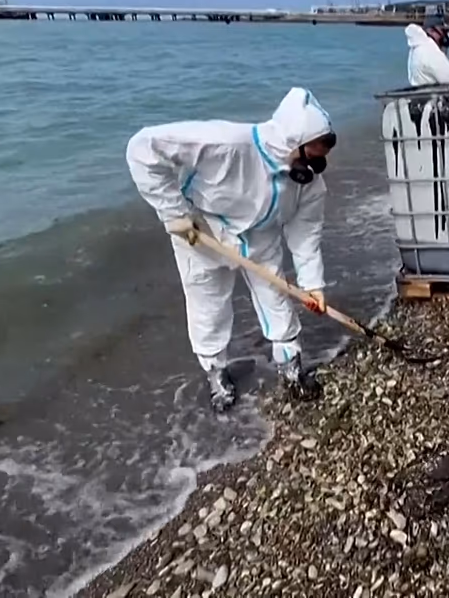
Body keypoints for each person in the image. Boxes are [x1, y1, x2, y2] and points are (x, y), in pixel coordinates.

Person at [126, 88, 333, 412]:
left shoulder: (308, 185)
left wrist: (312, 285)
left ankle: (291, 368)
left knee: (277, 300)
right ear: (293, 141)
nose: (314, 167)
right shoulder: (227, 144)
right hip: (203, 232)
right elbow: (142, 149)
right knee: (208, 307)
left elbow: (305, 233)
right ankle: (215, 374)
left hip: (261, 238)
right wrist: (175, 214)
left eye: (320, 160)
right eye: (311, 156)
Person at [406, 13, 449, 86]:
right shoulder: (432, 52)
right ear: (431, 31)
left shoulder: (417, 47)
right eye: (443, 31)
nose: (446, 36)